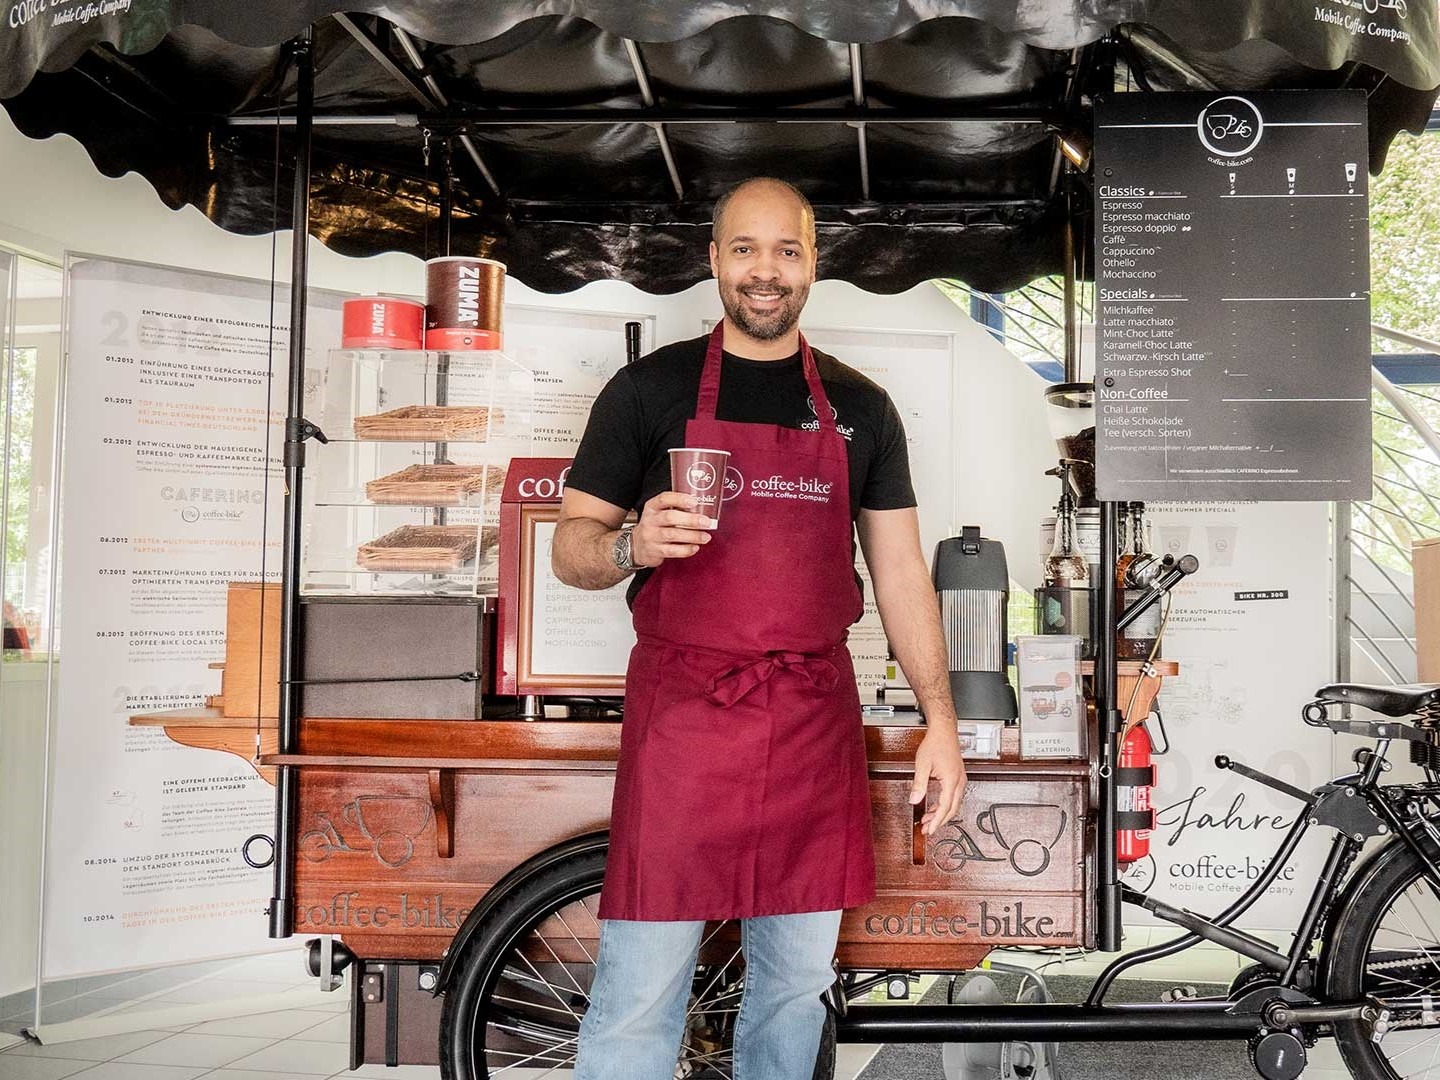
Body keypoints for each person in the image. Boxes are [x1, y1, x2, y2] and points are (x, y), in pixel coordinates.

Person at [553, 176, 967, 1079]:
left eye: (787, 250)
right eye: (745, 249)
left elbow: (899, 572)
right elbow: (569, 548)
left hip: (811, 720)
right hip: (684, 723)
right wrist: (632, 544)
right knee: (641, 990)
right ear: (714, 260)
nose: (765, 271)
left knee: (793, 987)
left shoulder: (861, 407)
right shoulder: (648, 390)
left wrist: (942, 723)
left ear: (814, 262)